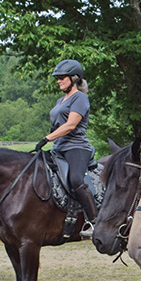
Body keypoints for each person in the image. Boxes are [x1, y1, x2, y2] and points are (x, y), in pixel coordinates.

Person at [39, 59, 95, 238]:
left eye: (62, 77)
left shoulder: (81, 98)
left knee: (77, 179)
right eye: (58, 78)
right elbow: (59, 123)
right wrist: (53, 133)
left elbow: (71, 125)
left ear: (74, 78)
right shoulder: (60, 100)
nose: (58, 81)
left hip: (76, 147)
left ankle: (94, 221)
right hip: (59, 147)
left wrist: (47, 138)